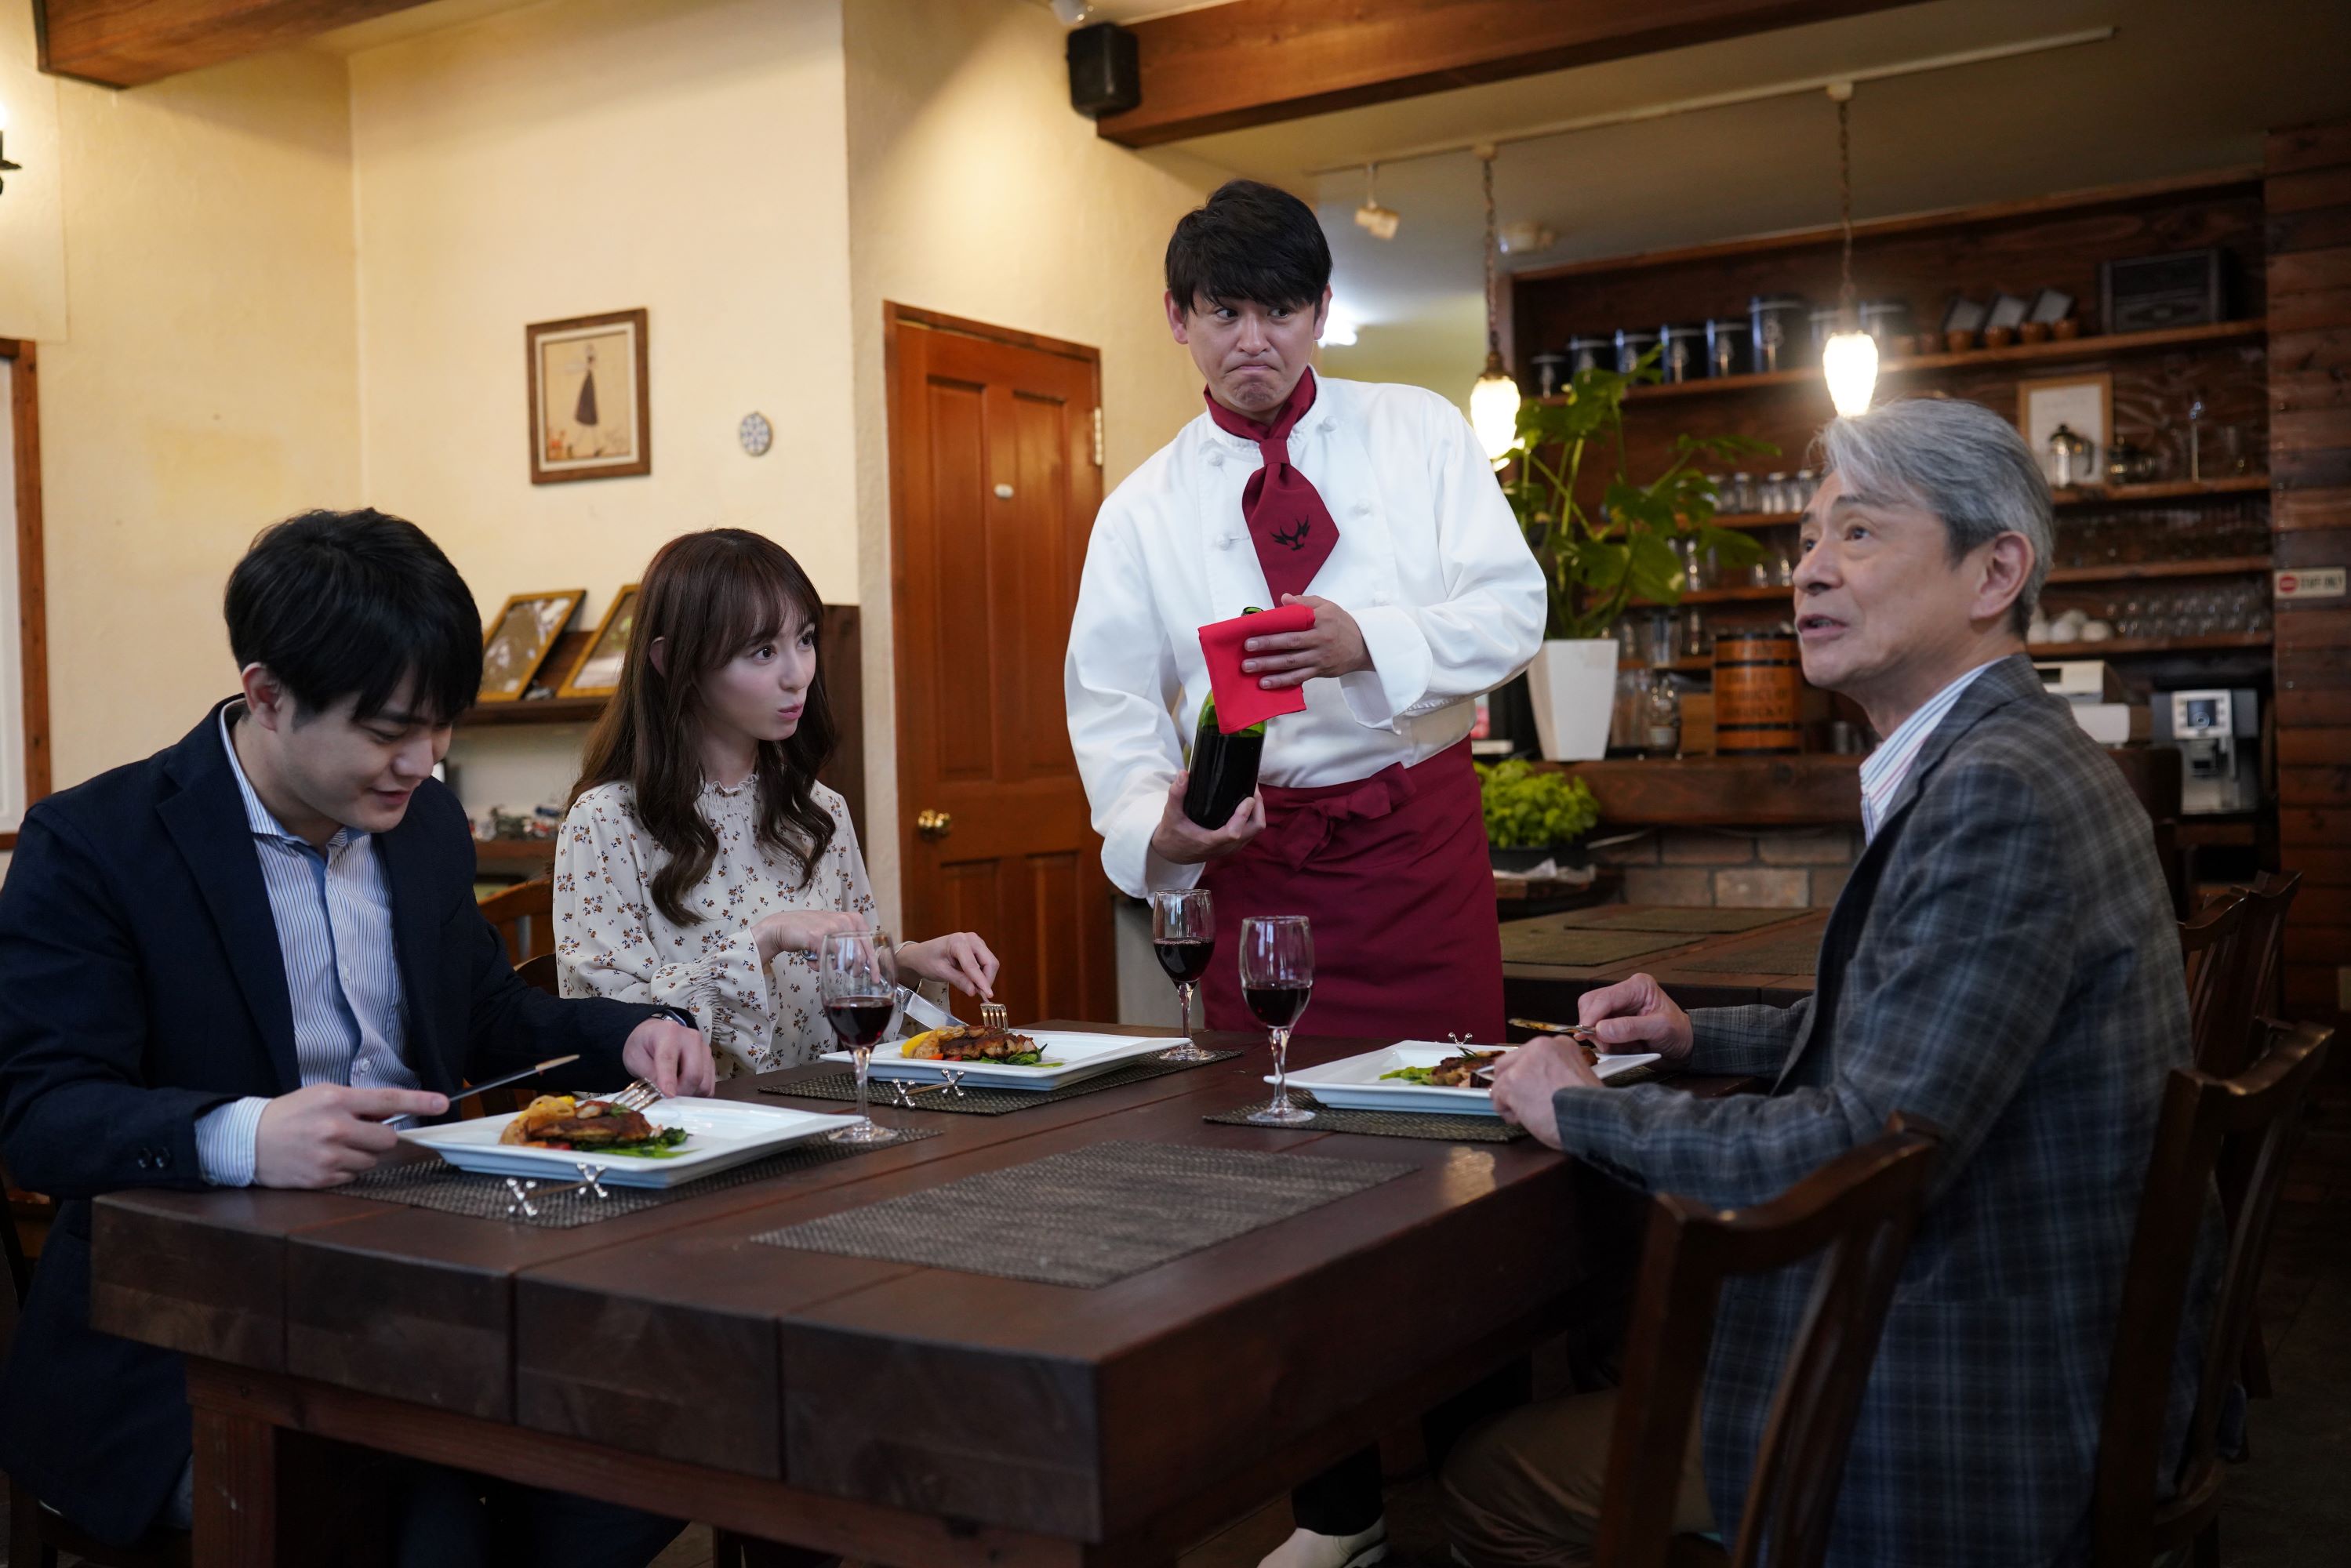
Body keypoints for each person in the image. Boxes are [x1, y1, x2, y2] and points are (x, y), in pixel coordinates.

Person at [1455, 397, 2204, 1566]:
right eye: (1806, 538)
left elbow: (1861, 1147)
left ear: (1994, 571)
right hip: (2038, 1345)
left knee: (1488, 1476)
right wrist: (1697, 1036)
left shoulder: (1992, 794)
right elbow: (1910, 1027)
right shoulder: (2011, 752)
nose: (1805, 570)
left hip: (1965, 1412)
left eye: (1857, 533)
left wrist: (1579, 1106)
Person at [0, 510, 710, 1563]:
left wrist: (631, 1032)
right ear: (266, 695)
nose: (424, 761)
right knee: (422, 1529)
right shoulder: (98, 844)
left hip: (428, 1281)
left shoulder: (420, 824)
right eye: (388, 731)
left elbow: (487, 1015)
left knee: (655, 1465)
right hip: (191, 1329)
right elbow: (42, 1115)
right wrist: (248, 1133)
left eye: (442, 725)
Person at [1064, 179, 1547, 1568]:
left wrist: (1367, 639)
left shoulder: (1418, 432)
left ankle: (1489, 1494)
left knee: (1461, 1163)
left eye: (1280, 309)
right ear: (1176, 319)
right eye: (1223, 311)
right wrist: (1157, 829)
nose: (1253, 339)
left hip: (1415, 840)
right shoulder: (1141, 511)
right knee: (1283, 1184)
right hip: (1262, 863)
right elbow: (1110, 710)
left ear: (1322, 311)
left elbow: (1513, 607)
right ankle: (1337, 1512)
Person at [557, 528, 998, 1073]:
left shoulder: (820, 811)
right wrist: (764, 941)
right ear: (673, 663)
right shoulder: (604, 822)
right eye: (764, 651)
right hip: (697, 1118)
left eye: (805, 639)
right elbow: (606, 1027)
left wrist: (906, 961)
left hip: (826, 1110)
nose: (798, 675)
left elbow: (849, 1000)